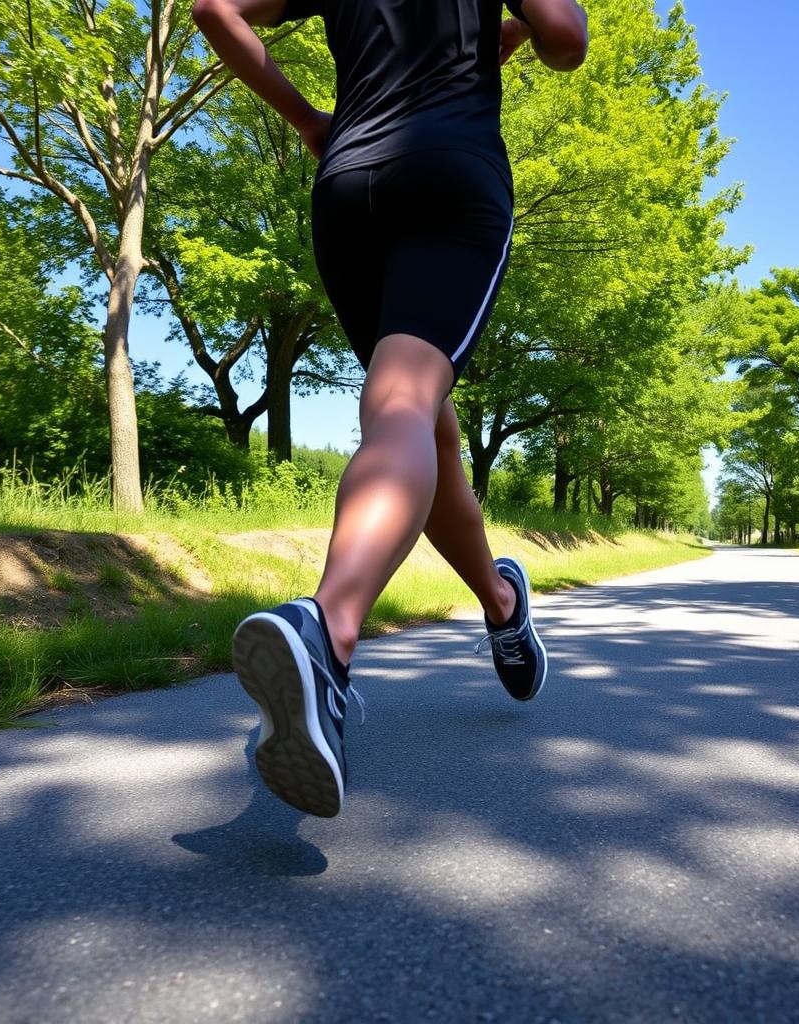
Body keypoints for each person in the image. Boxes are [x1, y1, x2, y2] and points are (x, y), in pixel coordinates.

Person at [192, 0, 588, 817]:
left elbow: (215, 9)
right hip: (452, 175)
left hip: (349, 189)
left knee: (420, 419)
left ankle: (502, 605)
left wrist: (308, 119)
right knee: (406, 399)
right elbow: (566, 40)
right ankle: (328, 634)